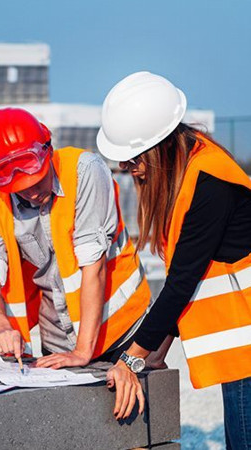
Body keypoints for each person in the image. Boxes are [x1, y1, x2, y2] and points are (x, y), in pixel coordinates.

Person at [96, 71, 251, 447]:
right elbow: (189, 278)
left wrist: (133, 358)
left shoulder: (210, 184)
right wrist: (155, 352)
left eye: (130, 159)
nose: (125, 169)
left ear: (156, 147)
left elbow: (182, 282)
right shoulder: (191, 175)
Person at [0, 107, 152, 372]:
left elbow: (94, 267)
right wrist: (2, 328)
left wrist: (82, 352)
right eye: (21, 190)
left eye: (37, 181)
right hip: (57, 340)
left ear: (48, 149)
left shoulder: (85, 172)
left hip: (120, 330)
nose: (32, 194)